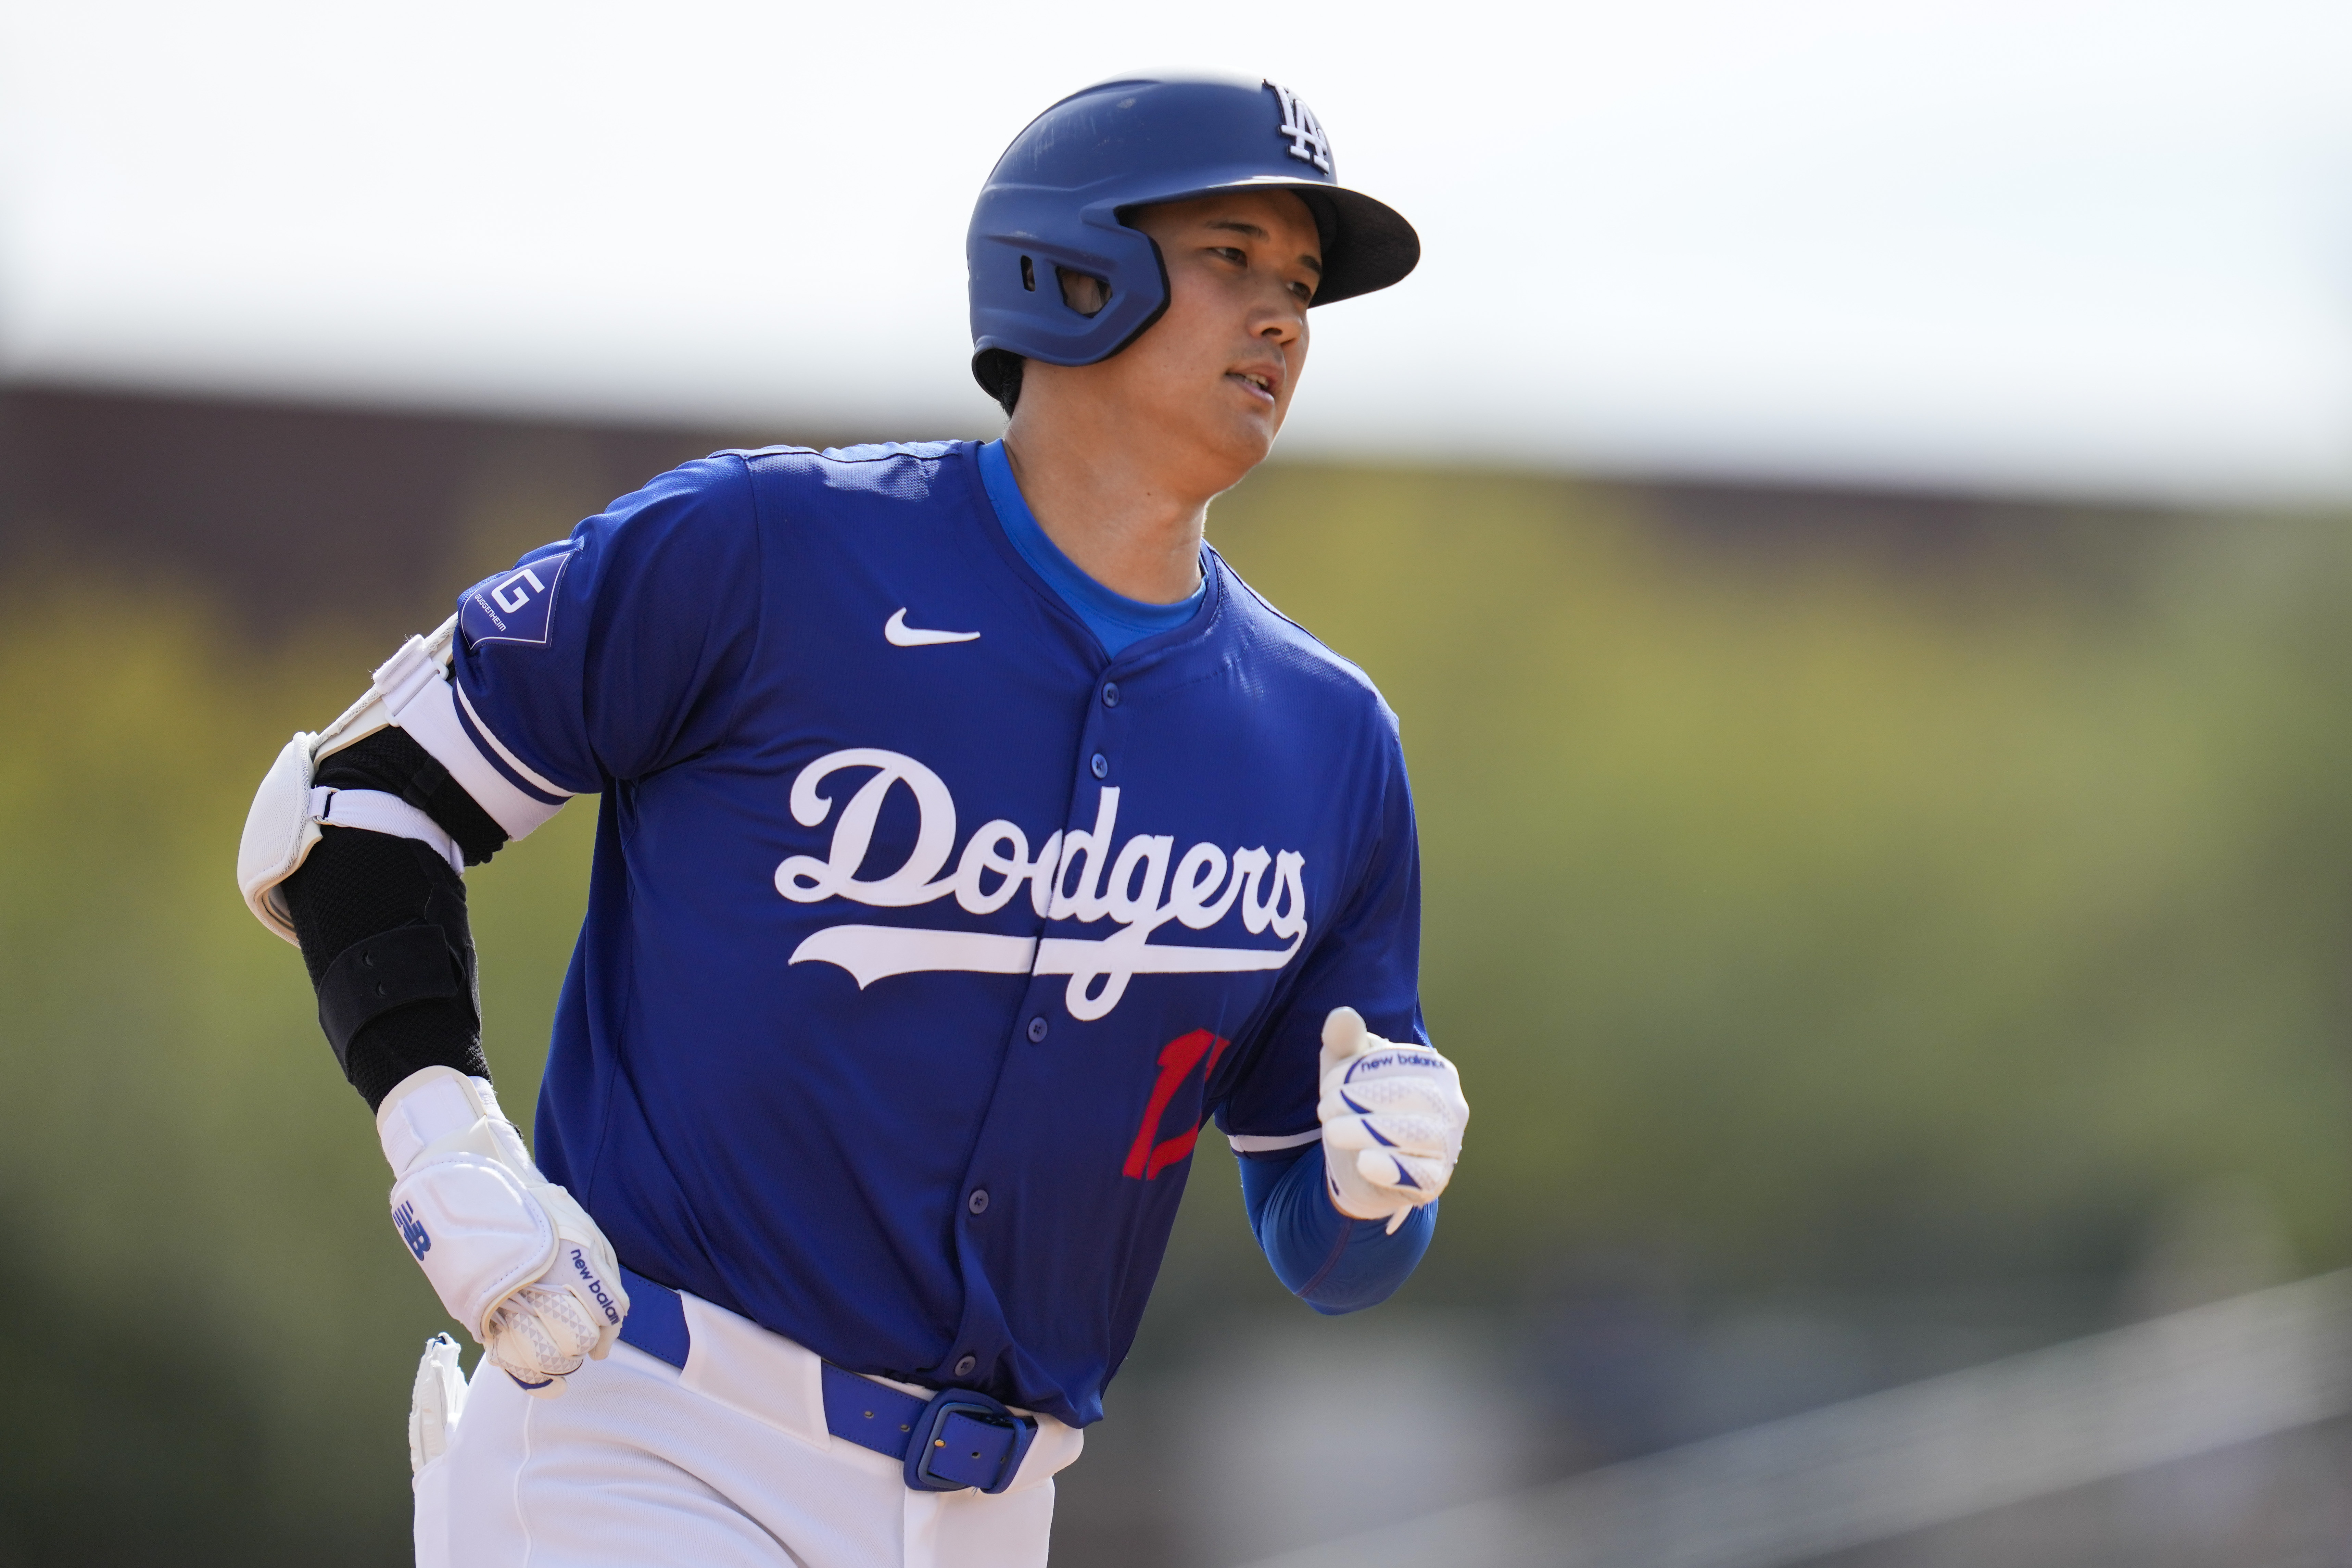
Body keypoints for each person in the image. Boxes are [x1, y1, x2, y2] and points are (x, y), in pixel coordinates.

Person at [235, 71, 1469, 1568]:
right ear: (1070, 270)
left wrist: (1377, 1183)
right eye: (1232, 255)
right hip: (645, 1446)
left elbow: (1329, 1257)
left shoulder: (1327, 737)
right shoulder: (766, 550)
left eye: (1303, 284)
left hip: (993, 1512)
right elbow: (352, 806)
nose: (1282, 318)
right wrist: (446, 1138)